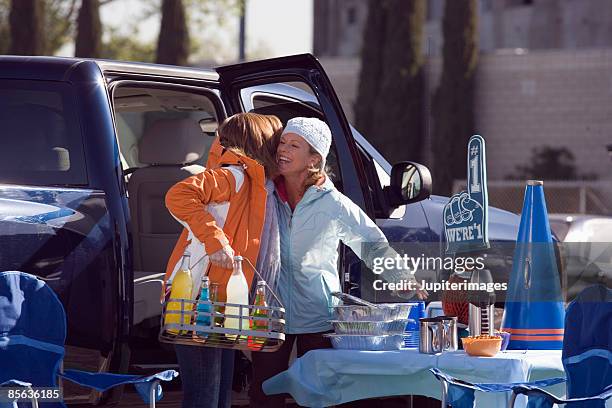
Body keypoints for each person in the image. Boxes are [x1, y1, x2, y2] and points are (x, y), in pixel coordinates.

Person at [250, 117, 427, 408]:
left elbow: (372, 243)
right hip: (269, 311)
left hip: (317, 313)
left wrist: (402, 278)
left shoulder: (333, 204)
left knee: (319, 397)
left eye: (294, 145)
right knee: (264, 394)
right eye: (282, 141)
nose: (283, 149)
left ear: (313, 159)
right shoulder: (265, 192)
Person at [163, 112, 282, 408]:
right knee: (204, 394)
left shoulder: (252, 181)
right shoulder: (232, 175)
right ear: (259, 144)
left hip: (220, 300)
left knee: (217, 395)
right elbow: (179, 195)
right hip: (196, 298)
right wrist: (215, 240)